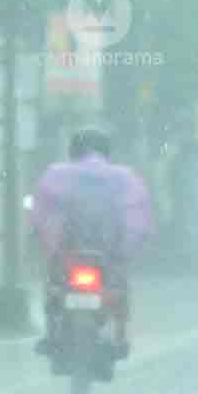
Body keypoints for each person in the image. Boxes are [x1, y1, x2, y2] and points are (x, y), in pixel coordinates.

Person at [30, 127, 155, 356]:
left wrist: (47, 242)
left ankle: (51, 334)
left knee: (53, 286)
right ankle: (120, 334)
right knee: (119, 288)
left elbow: (41, 215)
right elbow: (137, 217)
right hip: (110, 254)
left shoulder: (56, 174)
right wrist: (127, 248)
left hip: (67, 252)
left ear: (73, 151)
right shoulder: (125, 177)